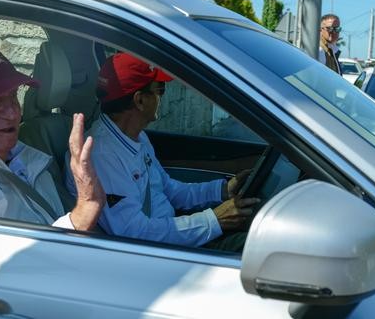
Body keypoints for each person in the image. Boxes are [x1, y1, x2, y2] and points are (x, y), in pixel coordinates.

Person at [65, 52, 260, 248]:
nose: (161, 97)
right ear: (140, 100)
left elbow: (168, 189)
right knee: (256, 246)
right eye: (160, 89)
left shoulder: (137, 137)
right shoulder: (102, 155)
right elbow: (135, 233)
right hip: (160, 252)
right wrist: (215, 220)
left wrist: (222, 190)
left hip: (169, 233)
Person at [0, 42, 104, 231]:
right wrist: (84, 211)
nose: (13, 113)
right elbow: (0, 260)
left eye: (13, 95)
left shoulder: (27, 157)